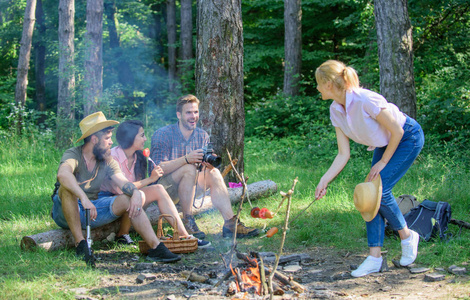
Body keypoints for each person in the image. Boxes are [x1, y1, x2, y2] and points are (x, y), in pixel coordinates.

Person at [314, 60, 425, 277]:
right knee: (368, 195)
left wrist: (383, 162)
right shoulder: (336, 110)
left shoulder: (365, 99)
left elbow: (397, 131)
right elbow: (343, 154)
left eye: (318, 83)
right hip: (385, 142)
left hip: (406, 137)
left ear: (328, 83)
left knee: (380, 193)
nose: (316, 88)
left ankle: (407, 236)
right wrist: (324, 180)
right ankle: (374, 257)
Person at [51, 112, 181, 266]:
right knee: (66, 190)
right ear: (94, 139)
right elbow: (63, 174)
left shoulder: (107, 159)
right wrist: (83, 198)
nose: (111, 142)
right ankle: (81, 245)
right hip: (65, 211)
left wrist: (136, 194)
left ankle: (156, 247)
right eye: (107, 138)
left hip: (93, 209)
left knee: (127, 198)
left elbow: (123, 182)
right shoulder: (73, 154)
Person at [150, 94, 259, 239]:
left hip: (190, 187)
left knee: (213, 172)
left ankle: (230, 224)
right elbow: (158, 168)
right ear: (179, 115)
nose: (193, 116)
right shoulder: (163, 134)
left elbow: (203, 169)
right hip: (165, 190)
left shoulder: (202, 135)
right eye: (188, 112)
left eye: (195, 112)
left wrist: (208, 164)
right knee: (189, 167)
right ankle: (188, 220)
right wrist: (186, 159)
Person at [100, 120, 210, 248]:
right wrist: (150, 179)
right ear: (130, 138)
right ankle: (122, 235)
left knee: (158, 188)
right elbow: (122, 189)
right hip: (110, 202)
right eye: (141, 135)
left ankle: (184, 236)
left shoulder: (139, 157)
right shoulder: (113, 157)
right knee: (138, 193)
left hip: (131, 200)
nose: (145, 139)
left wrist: (152, 181)